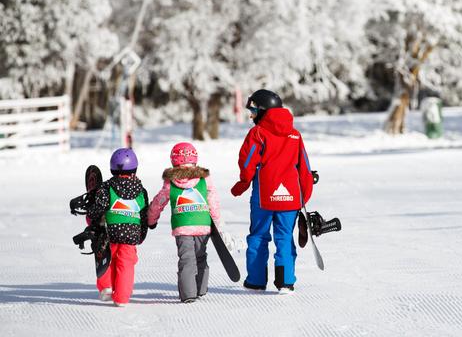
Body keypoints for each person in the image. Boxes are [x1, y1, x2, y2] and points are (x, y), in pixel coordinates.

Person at [231, 89, 314, 294]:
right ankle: (285, 281)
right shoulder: (295, 135)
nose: (250, 115)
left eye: (252, 110)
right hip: (290, 197)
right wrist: (303, 196)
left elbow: (248, 162)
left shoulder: (258, 133)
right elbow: (304, 167)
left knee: (259, 235)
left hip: (264, 196)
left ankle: (257, 281)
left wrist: (242, 184)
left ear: (262, 110)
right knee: (285, 236)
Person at [147, 142, 222, 303]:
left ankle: (188, 294)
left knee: (187, 259)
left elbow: (158, 202)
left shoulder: (170, 182)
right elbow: (213, 201)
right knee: (201, 256)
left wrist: (151, 219)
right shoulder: (204, 179)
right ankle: (200, 289)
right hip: (203, 225)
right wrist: (216, 221)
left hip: (182, 227)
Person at [87, 147, 149, 307]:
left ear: (112, 168)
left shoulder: (106, 188)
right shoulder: (141, 190)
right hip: (131, 233)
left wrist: (91, 216)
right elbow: (143, 215)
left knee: (106, 257)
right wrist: (141, 234)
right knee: (126, 264)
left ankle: (106, 287)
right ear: (135, 168)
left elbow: (99, 208)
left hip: (110, 231)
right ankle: (122, 298)